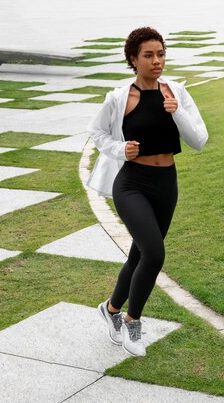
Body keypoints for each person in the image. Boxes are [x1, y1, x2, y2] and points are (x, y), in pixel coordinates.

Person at [87, 27, 208, 357]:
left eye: (161, 54)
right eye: (149, 55)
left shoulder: (176, 92)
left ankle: (111, 309)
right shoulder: (119, 97)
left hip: (166, 184)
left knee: (140, 254)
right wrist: (119, 148)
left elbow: (199, 140)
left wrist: (177, 111)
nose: (157, 61)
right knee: (154, 253)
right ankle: (133, 321)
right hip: (132, 184)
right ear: (133, 59)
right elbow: (96, 132)